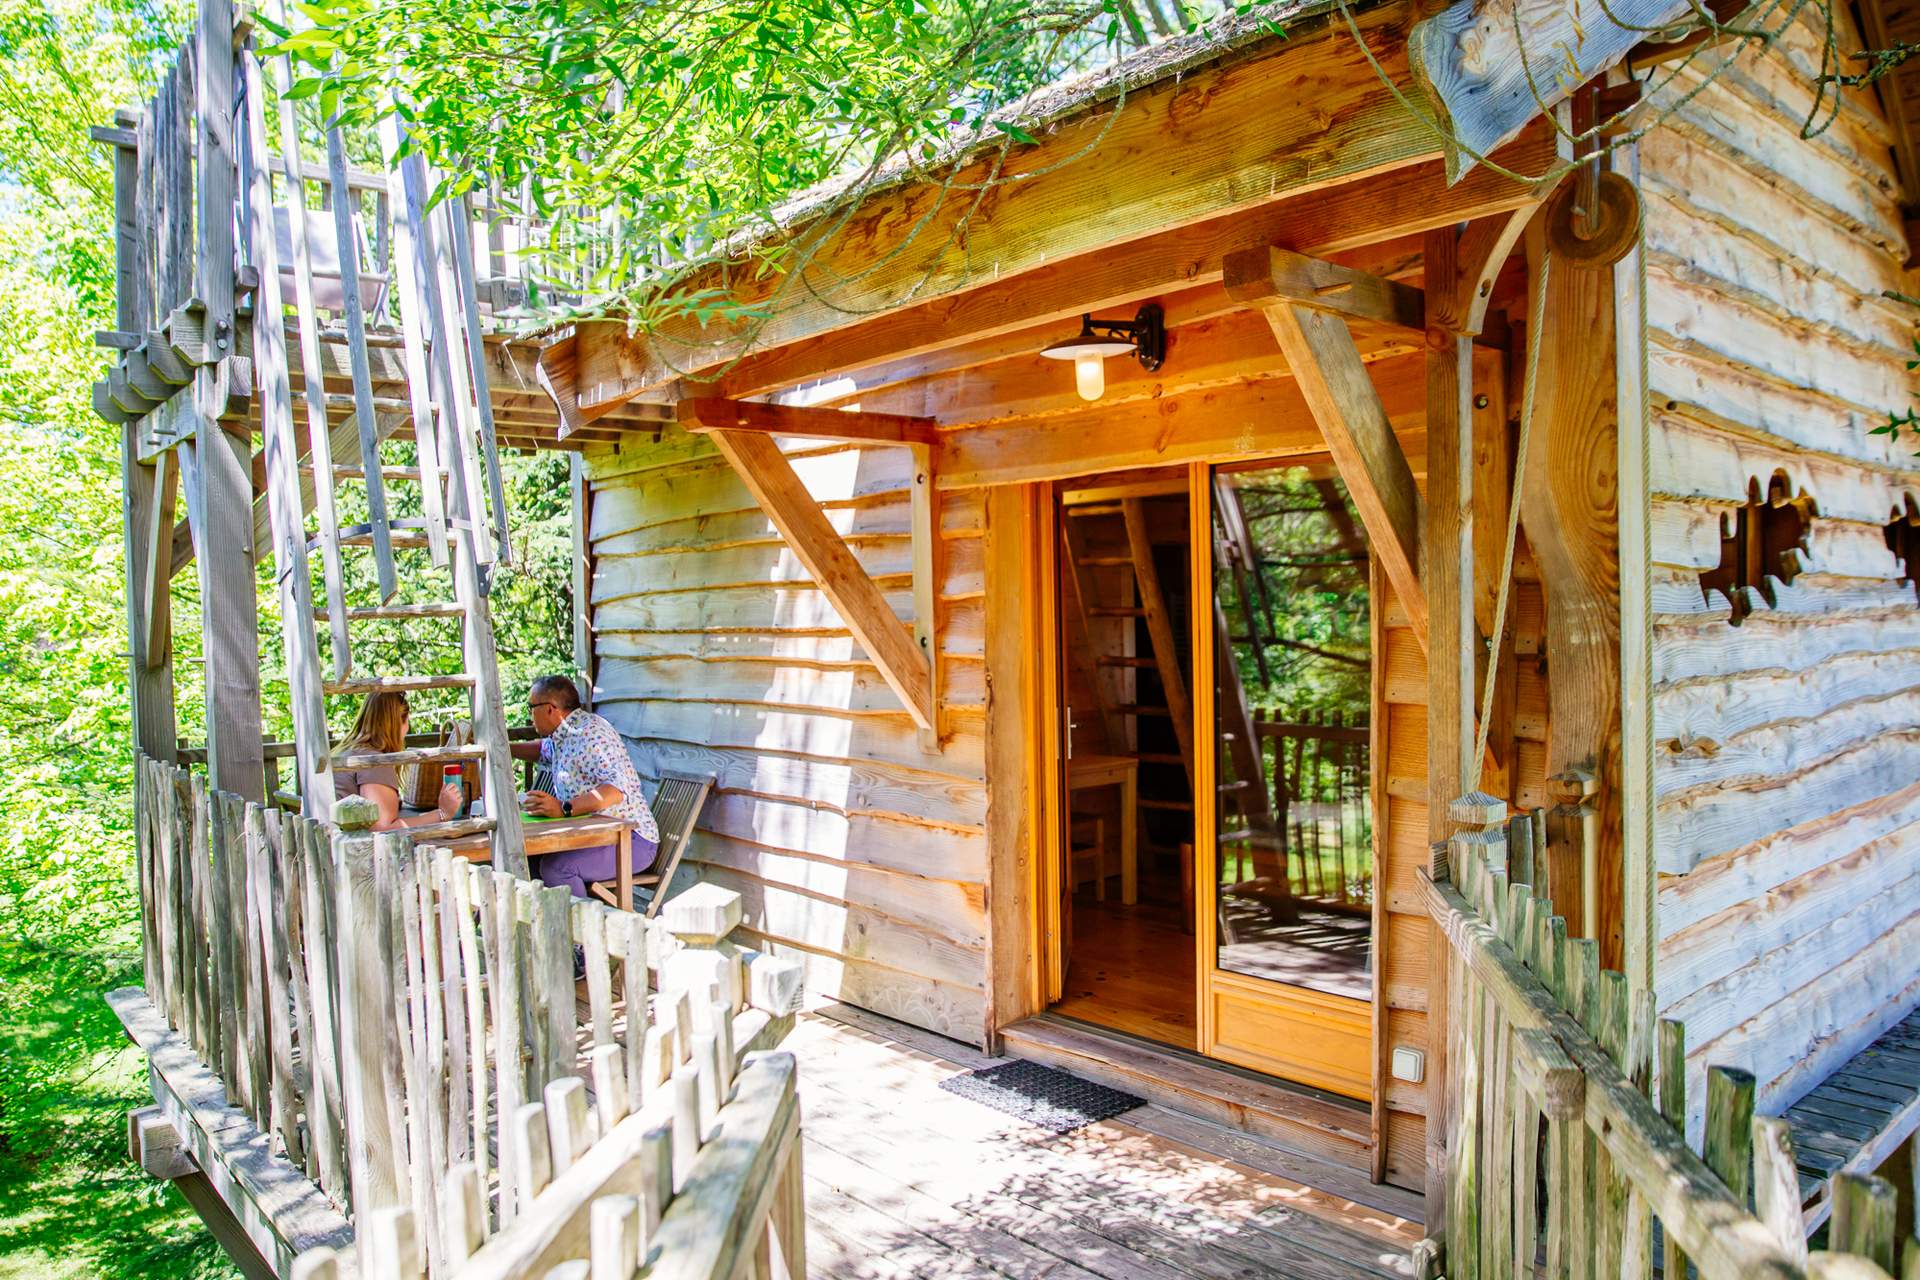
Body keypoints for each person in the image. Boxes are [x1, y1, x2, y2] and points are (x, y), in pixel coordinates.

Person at [513, 675, 660, 899]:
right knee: (528, 858)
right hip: (597, 837)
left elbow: (615, 790)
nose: (529, 715)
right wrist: (504, 748)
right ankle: (542, 929)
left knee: (557, 869)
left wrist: (564, 808)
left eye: (531, 707)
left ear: (551, 709)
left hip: (630, 841)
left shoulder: (590, 734)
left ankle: (579, 932)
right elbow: (543, 750)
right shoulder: (567, 733)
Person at [333, 691, 464, 831]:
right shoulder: (376, 761)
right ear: (399, 723)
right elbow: (384, 829)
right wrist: (442, 814)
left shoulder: (346, 751)